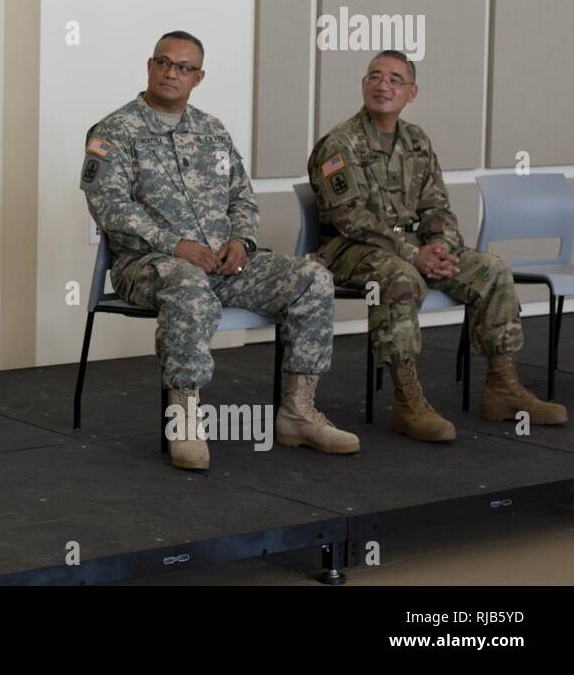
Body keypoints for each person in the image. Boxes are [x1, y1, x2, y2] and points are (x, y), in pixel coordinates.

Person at [81, 31, 359, 470]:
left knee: (313, 278)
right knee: (188, 286)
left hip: (223, 263)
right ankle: (186, 420)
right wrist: (175, 245)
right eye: (164, 62)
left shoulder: (212, 131)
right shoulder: (114, 131)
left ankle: (298, 412)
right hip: (150, 265)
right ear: (149, 66)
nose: (172, 72)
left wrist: (241, 242)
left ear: (199, 77)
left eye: (184, 67)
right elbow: (109, 207)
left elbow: (242, 199)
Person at [308, 50, 567, 442]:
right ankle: (407, 401)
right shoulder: (340, 145)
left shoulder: (417, 141)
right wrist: (415, 255)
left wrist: (442, 249)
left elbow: (437, 207)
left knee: (492, 267)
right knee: (398, 276)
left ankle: (502, 387)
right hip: (350, 250)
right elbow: (351, 219)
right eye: (375, 77)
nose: (383, 86)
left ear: (412, 92)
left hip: (415, 249)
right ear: (364, 85)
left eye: (395, 79)